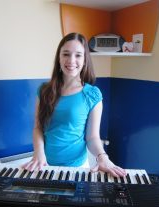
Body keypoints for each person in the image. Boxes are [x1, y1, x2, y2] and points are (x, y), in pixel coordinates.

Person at [23, 32, 126, 177]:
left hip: (76, 168)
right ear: (59, 58)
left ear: (85, 60)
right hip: (44, 165)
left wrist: (103, 157)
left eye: (78, 55)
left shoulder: (92, 95)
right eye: (66, 54)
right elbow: (38, 127)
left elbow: (92, 137)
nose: (71, 60)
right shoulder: (44, 90)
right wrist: (39, 154)